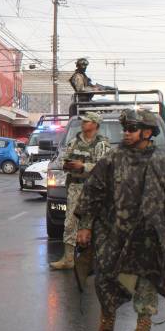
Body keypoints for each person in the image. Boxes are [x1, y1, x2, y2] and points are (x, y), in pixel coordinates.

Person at [75, 108, 165, 331]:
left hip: (150, 235)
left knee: (147, 282)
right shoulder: (113, 158)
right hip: (114, 232)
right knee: (106, 277)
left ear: (147, 133)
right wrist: (85, 225)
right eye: (124, 129)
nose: (126, 133)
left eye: (132, 129)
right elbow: (93, 191)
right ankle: (108, 315)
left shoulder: (164, 160)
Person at [49, 113, 111, 271]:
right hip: (75, 187)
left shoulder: (101, 144)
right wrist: (67, 165)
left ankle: (95, 260)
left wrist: (83, 166)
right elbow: (61, 160)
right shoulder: (74, 141)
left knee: (93, 223)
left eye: (87, 121)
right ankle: (68, 258)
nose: (83, 123)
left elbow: (104, 167)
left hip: (93, 189)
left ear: (95, 124)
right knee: (70, 222)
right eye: (83, 121)